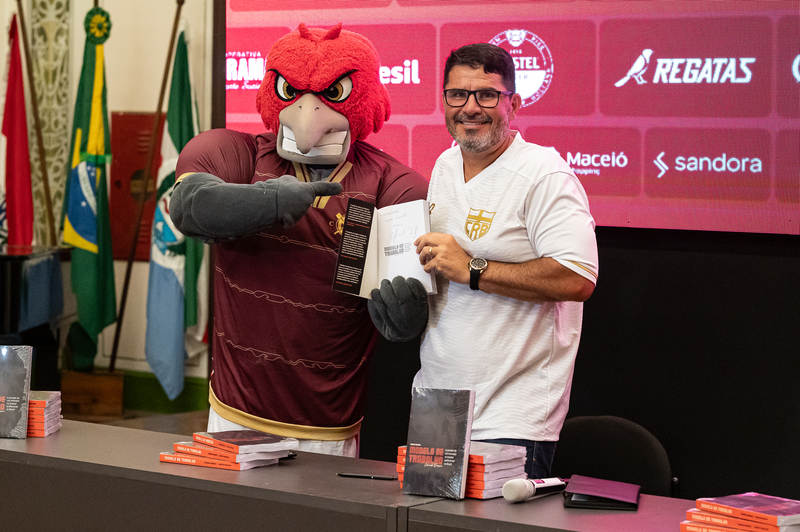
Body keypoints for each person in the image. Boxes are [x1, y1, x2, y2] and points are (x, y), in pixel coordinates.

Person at [170, 24, 427, 457]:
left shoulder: (392, 183)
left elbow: (400, 307)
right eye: (293, 91)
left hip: (329, 423)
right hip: (235, 412)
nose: (310, 117)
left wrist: (404, 310)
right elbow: (191, 208)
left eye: (334, 92)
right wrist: (270, 202)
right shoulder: (237, 153)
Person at [369, 43, 598, 479]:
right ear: (443, 101)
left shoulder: (544, 174)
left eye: (487, 95)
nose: (470, 108)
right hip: (438, 401)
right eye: (458, 95)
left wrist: (474, 269)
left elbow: (577, 278)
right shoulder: (444, 165)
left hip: (514, 413)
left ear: (514, 102)